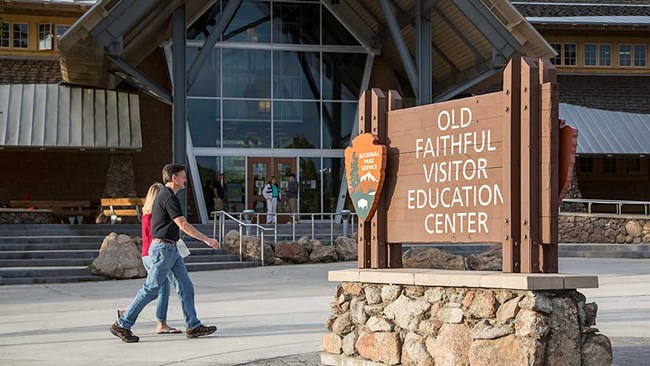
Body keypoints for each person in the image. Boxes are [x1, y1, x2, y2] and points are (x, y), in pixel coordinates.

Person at [110, 163, 220, 343]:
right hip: (163, 250)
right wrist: (207, 240)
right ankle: (123, 323)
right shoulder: (168, 197)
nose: (186, 179)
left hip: (171, 249)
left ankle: (193, 326)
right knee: (152, 289)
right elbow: (183, 224)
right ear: (174, 178)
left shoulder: (167, 196)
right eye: (183, 176)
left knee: (185, 287)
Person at [116, 183, 182, 334]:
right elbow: (157, 237)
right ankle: (157, 322)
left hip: (146, 254)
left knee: (155, 289)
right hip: (157, 254)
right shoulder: (156, 216)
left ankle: (132, 313)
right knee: (156, 290)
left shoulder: (146, 215)